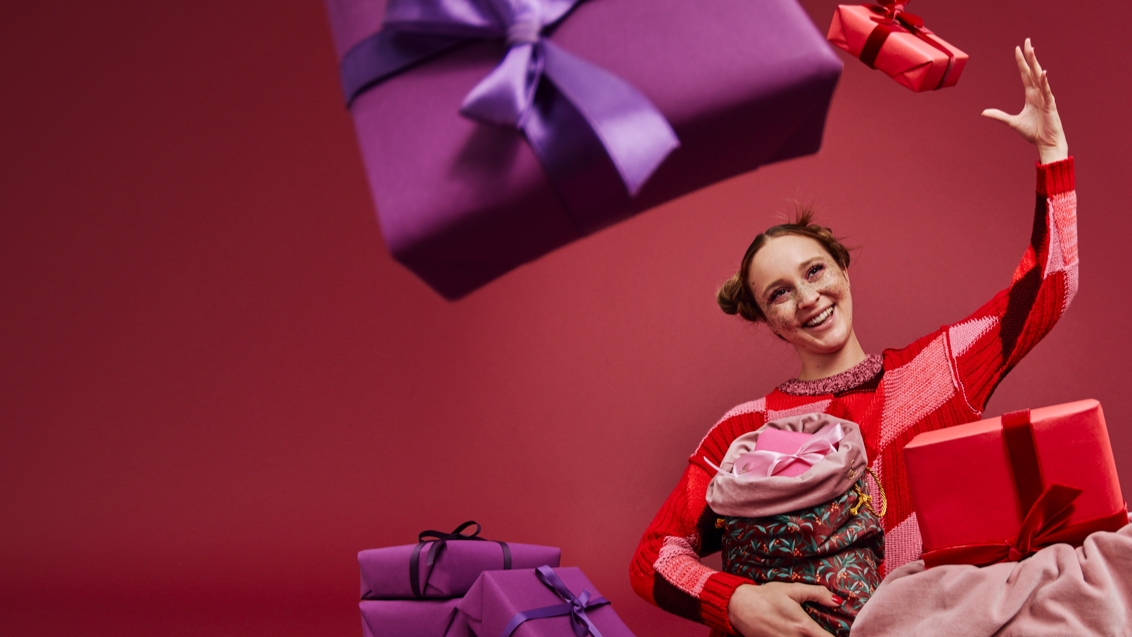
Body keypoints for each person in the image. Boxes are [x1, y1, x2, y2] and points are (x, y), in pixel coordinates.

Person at [629, 39, 1074, 637]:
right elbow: (655, 553)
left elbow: (1047, 291)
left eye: (814, 272)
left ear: (841, 268)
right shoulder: (744, 429)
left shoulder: (934, 373)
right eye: (779, 293)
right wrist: (736, 602)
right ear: (767, 319)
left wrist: (1052, 155)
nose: (807, 297)